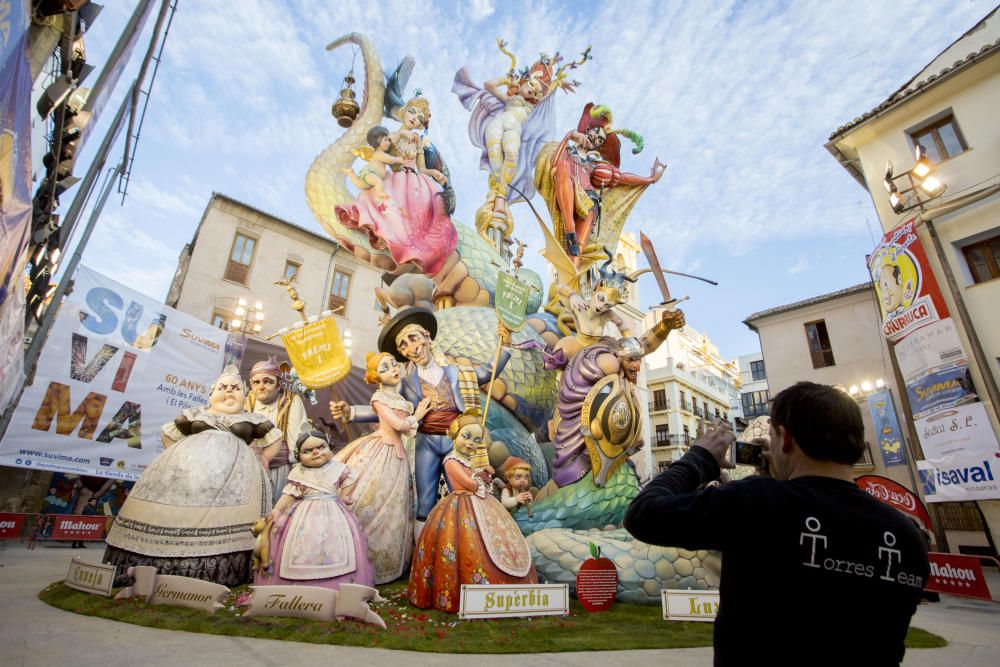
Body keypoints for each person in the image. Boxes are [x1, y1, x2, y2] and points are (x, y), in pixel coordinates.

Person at [624, 382, 930, 666]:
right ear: (856, 444)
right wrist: (778, 482)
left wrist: (700, 457)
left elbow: (644, 514)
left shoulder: (756, 503)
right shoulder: (907, 535)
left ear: (786, 439)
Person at [331, 307, 509, 538]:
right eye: (403, 345)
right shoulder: (406, 384)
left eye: (413, 338)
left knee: (467, 494)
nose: (411, 348)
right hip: (427, 443)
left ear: (427, 335)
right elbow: (388, 408)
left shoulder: (456, 372)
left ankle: (470, 546)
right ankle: (423, 556)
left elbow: (487, 372)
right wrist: (352, 412)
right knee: (424, 501)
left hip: (458, 442)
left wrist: (505, 344)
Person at [104, 365, 280, 586]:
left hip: (236, 475)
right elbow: (169, 432)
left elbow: (274, 438)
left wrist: (265, 458)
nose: (229, 391)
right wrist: (175, 456)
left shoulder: (251, 418)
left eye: (235, 388)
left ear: (245, 395)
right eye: (223, 387)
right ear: (211, 393)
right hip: (187, 474)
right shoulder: (197, 413)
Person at [408, 411, 537, 613]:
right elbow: (468, 484)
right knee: (462, 542)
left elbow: (473, 479)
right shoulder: (450, 461)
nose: (470, 444)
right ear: (454, 434)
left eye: (476, 440)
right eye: (466, 437)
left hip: (477, 503)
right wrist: (479, 479)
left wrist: (482, 474)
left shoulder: (467, 461)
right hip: (459, 505)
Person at [332, 352, 430, 584]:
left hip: (399, 457)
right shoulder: (378, 398)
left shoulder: (403, 400)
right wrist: (417, 415)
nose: (394, 369)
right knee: (368, 501)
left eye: (394, 364)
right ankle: (357, 559)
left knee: (394, 508)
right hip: (380, 452)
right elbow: (398, 425)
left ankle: (387, 564)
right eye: (385, 368)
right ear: (376, 376)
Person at [253, 431, 374, 590]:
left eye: (321, 447)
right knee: (294, 544)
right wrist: (276, 510)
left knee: (341, 545)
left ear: (330, 448)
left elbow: (351, 479)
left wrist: (343, 496)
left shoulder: (338, 468)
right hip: (302, 515)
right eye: (307, 451)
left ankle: (339, 585)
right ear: (298, 456)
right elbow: (290, 493)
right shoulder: (299, 473)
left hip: (334, 512)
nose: (315, 452)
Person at [245, 357, 310, 495]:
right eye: (256, 382)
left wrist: (298, 469)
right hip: (248, 467)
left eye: (267, 382)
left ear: (278, 384)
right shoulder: (247, 399)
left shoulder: (291, 400)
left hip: (279, 469)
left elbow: (297, 436)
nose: (261, 386)